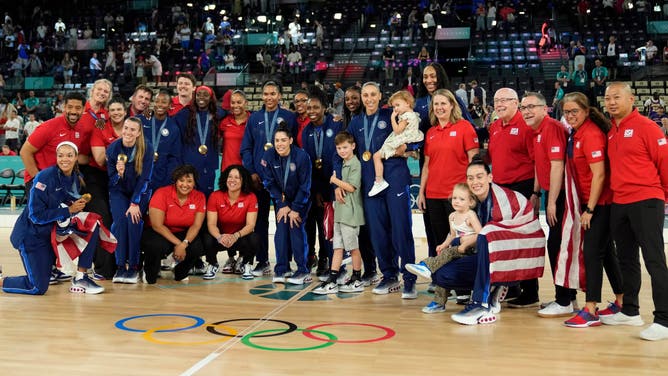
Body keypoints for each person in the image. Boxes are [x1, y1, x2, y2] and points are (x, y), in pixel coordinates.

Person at [429, 156, 545, 325]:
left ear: (490, 178)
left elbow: (500, 238)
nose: (475, 182)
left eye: (479, 176)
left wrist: (470, 241)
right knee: (441, 275)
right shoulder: (472, 201)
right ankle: (495, 286)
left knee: (487, 234)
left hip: (517, 253)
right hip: (491, 254)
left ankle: (481, 304)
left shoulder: (503, 202)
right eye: (470, 178)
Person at [602, 82, 668, 341]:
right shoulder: (612, 131)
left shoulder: (647, 127)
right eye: (607, 98)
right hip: (620, 202)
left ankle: (664, 319)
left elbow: (664, 162)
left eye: (617, 97)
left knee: (654, 261)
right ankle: (630, 311)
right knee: (626, 259)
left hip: (646, 200)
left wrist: (664, 197)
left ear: (632, 99)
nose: (611, 102)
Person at [1, 142, 106, 295]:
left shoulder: (76, 178)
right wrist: (68, 210)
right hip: (31, 237)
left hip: (51, 233)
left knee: (92, 223)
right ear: (56, 157)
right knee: (37, 287)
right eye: (61, 155)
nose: (65, 159)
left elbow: (66, 201)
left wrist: (74, 207)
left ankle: (81, 277)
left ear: (76, 157)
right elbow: (35, 216)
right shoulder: (44, 177)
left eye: (69, 155)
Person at [560, 92, 624, 328]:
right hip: (591, 202)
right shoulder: (576, 134)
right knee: (606, 252)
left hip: (601, 203)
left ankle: (590, 309)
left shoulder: (591, 135)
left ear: (586, 111)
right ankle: (621, 300)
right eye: (566, 112)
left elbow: (599, 175)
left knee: (592, 252)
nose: (570, 115)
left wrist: (589, 209)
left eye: (574, 111)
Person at [349, 82, 417, 298]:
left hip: (395, 178)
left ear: (380, 97)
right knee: (378, 233)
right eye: (365, 95)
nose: (369, 99)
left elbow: (414, 135)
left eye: (373, 95)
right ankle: (389, 275)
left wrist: (407, 148)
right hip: (370, 183)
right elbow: (343, 150)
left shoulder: (393, 115)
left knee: (401, 230)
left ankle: (409, 279)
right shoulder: (355, 122)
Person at [520, 92, 577, 317]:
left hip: (562, 196)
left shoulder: (552, 128)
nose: (527, 111)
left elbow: (557, 166)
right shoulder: (536, 132)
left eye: (532, 106)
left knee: (557, 246)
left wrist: (551, 201)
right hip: (551, 194)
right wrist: (536, 192)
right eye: (524, 107)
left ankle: (563, 300)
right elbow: (539, 164)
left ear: (546, 109)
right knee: (557, 245)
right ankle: (568, 298)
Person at [240, 81, 297, 276]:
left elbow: (294, 147)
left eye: (273, 93)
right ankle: (262, 260)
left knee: (283, 220)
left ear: (280, 96)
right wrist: (252, 172)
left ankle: (285, 262)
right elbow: (246, 148)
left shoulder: (289, 117)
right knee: (260, 221)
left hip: (282, 179)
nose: (269, 97)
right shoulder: (254, 118)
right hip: (258, 179)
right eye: (265, 94)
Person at [408, 183, 482, 312]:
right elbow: (452, 234)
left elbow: (480, 233)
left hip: (471, 249)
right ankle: (439, 302)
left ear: (470, 201)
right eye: (454, 198)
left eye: (461, 199)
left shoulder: (470, 215)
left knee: (448, 253)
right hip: (457, 249)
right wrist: (444, 244)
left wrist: (465, 244)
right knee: (444, 263)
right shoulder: (452, 216)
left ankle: (426, 265)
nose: (457, 201)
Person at [314, 130, 366, 295]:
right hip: (340, 213)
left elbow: (351, 187)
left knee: (353, 248)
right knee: (337, 248)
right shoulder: (343, 163)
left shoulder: (355, 164)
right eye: (339, 148)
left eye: (345, 147)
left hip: (350, 214)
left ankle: (357, 278)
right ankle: (332, 279)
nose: (342, 151)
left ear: (353, 146)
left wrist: (335, 181)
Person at [260, 124, 312, 284]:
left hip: (300, 199)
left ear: (290, 140)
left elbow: (305, 186)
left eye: (283, 140)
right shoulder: (268, 156)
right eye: (277, 140)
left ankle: (303, 270)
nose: (279, 144)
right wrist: (282, 205)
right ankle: (282, 268)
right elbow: (269, 182)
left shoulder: (302, 157)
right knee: (281, 231)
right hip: (282, 201)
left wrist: (295, 208)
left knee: (295, 227)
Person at [301, 89, 343, 279]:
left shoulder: (335, 125)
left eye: (316, 107)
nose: (312, 111)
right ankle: (314, 257)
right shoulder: (306, 131)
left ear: (325, 108)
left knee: (329, 227)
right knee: (314, 223)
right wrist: (316, 189)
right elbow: (310, 162)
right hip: (315, 187)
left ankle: (329, 259)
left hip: (334, 185)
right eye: (309, 107)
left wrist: (333, 187)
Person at [106, 117, 153, 284]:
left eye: (133, 129)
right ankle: (120, 266)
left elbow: (145, 179)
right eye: (126, 128)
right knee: (119, 222)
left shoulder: (146, 148)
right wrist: (119, 174)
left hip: (139, 192)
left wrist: (135, 202)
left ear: (139, 132)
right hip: (119, 192)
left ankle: (133, 266)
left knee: (133, 220)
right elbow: (111, 181)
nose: (128, 132)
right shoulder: (113, 149)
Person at [141, 165, 205, 284]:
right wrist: (179, 245)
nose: (185, 185)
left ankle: (180, 271)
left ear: (194, 183)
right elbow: (157, 225)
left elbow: (196, 225)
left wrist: (184, 243)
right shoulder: (161, 193)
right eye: (181, 180)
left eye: (189, 181)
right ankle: (149, 270)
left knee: (197, 247)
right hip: (159, 232)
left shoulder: (199, 197)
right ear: (175, 181)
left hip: (183, 232)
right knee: (156, 247)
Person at [88, 95, 125, 279]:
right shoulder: (101, 126)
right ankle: (103, 268)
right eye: (113, 110)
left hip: (125, 179)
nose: (116, 113)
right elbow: (100, 159)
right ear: (108, 113)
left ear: (125, 111)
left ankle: (127, 264)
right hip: (99, 179)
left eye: (120, 109)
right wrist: (122, 144)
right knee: (104, 219)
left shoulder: (133, 126)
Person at [203, 164, 260, 279]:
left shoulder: (250, 197)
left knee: (254, 238)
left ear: (243, 181)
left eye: (237, 177)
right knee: (206, 237)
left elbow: (250, 225)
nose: (232, 180)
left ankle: (245, 264)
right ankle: (213, 264)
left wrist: (235, 236)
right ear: (225, 178)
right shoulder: (215, 196)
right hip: (221, 237)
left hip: (239, 237)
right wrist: (220, 237)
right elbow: (211, 224)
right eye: (230, 177)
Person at [368, 90, 424, 197]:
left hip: (402, 139)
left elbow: (397, 130)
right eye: (394, 107)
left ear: (407, 103)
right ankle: (410, 153)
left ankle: (379, 181)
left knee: (376, 156)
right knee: (399, 154)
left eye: (397, 105)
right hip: (410, 138)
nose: (395, 109)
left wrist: (392, 118)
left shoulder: (405, 116)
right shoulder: (414, 114)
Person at [175, 86, 225, 197]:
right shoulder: (185, 114)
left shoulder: (218, 114)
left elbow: (233, 113)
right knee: (189, 198)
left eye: (205, 95)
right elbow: (167, 120)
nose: (201, 97)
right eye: (198, 95)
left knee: (206, 198)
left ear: (211, 98)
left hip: (208, 165)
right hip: (189, 164)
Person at [139, 90, 182, 190]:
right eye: (157, 101)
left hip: (161, 177)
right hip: (140, 173)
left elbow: (175, 158)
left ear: (170, 105)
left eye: (163, 102)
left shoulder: (173, 128)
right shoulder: (141, 121)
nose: (160, 105)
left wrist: (167, 179)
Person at [219, 90, 249, 172]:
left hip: (247, 170)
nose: (235, 105)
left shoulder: (253, 120)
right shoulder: (225, 121)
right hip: (227, 169)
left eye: (239, 102)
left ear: (246, 103)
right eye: (233, 102)